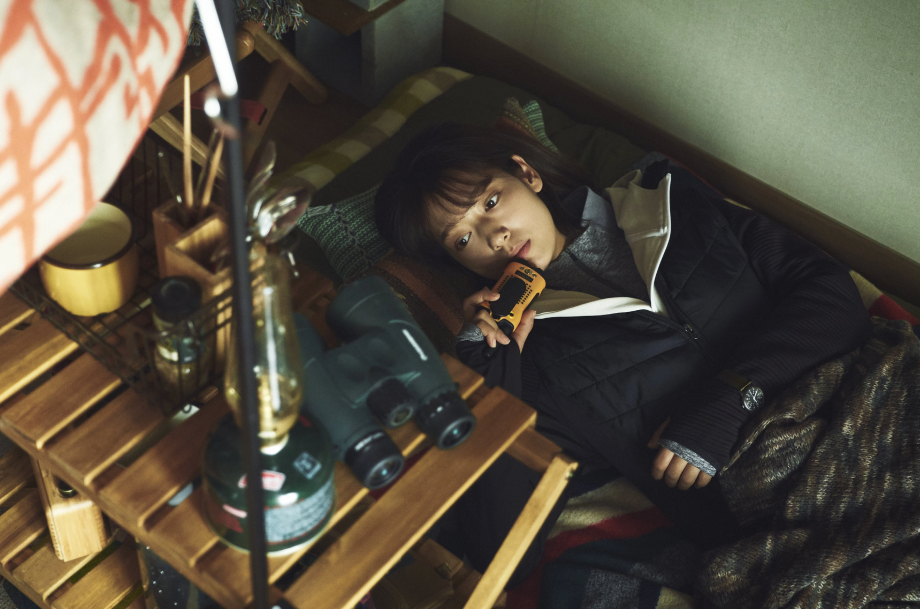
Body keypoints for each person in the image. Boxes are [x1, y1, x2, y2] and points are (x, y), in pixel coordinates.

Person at [372, 122, 873, 586]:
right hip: (787, 521)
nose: (494, 236)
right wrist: (491, 377)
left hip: (874, 402)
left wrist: (733, 396)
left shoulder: (667, 196)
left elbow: (832, 293)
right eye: (463, 239)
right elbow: (501, 551)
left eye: (491, 201)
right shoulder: (534, 368)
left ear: (526, 173)